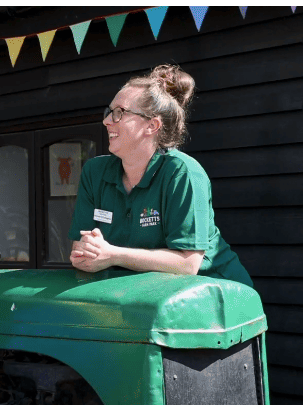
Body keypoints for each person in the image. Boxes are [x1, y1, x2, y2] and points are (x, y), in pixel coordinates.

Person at [69, 64, 252, 287]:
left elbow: (187, 264)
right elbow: (80, 248)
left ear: (152, 125)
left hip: (217, 297)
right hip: (143, 295)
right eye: (109, 112)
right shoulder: (94, 172)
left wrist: (113, 255)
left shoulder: (183, 173)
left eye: (119, 113)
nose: (107, 121)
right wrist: (86, 252)